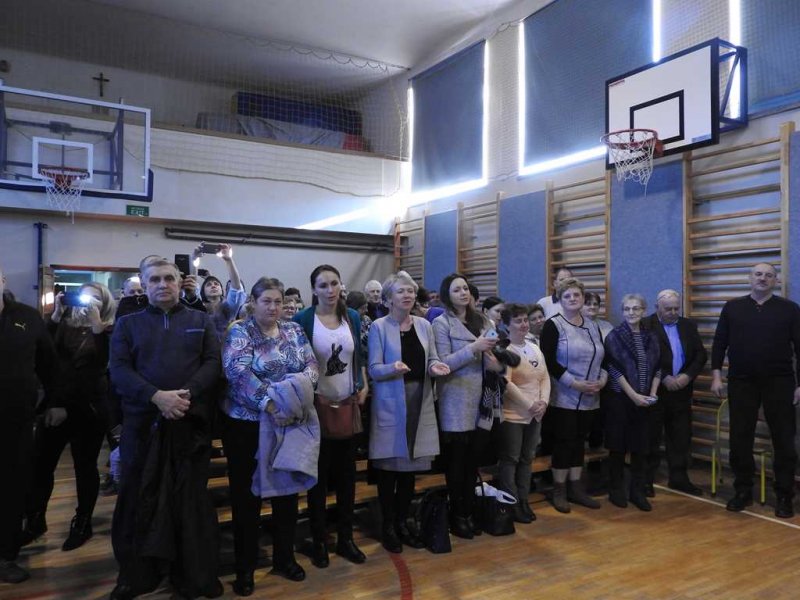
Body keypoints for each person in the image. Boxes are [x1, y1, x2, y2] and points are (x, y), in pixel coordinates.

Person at [109, 259, 222, 599]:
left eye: (169, 278)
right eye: (155, 279)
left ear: (179, 281)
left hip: (190, 424)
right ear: (144, 284)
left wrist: (185, 394)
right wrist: (156, 397)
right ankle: (136, 575)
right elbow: (119, 370)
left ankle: (193, 575)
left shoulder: (200, 320)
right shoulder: (128, 324)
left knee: (190, 501)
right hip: (143, 426)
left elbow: (213, 363)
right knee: (138, 498)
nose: (163, 284)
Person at [222, 277, 320, 594]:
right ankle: (245, 568)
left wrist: (291, 401)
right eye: (267, 301)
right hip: (248, 425)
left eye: (278, 301)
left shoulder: (294, 330)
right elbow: (238, 373)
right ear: (253, 302)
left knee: (287, 495)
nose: (274, 307)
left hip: (288, 421)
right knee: (247, 499)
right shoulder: (240, 331)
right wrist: (271, 403)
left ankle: (284, 558)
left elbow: (311, 366)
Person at [21, 283, 116, 552]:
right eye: (83, 296)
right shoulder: (63, 324)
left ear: (105, 303)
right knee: (41, 465)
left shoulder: (109, 329)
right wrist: (55, 315)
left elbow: (100, 367)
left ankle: (83, 522)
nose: (86, 301)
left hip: (89, 409)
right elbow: (45, 358)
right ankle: (35, 520)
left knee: (84, 468)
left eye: (95, 298)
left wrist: (97, 326)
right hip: (55, 407)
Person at [368, 271, 450, 553]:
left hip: (419, 402)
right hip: (392, 402)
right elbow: (374, 370)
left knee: (409, 472)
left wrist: (435, 367)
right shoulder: (379, 326)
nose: (408, 295)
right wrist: (393, 368)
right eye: (401, 291)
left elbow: (433, 358)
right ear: (388, 298)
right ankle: (388, 525)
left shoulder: (424, 325)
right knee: (389, 471)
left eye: (411, 291)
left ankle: (403, 522)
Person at [711, 263, 800, 518]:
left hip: (780, 382)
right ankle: (742, 491)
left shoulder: (789, 309)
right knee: (740, 438)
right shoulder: (732, 308)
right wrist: (716, 376)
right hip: (741, 382)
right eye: (758, 274)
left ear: (775, 281)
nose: (763, 278)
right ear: (749, 278)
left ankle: (784, 495)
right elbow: (719, 343)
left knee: (784, 439)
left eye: (769, 275)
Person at [293, 265, 368, 568]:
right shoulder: (303, 319)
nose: (330, 289)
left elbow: (357, 356)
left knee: (347, 478)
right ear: (314, 289)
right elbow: (297, 362)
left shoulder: (351, 317)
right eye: (323, 285)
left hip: (347, 405)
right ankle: (319, 540)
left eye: (334, 283)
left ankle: (346, 538)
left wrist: (363, 384)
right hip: (316, 409)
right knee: (319, 481)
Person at [432, 273, 501, 539]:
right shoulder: (441, 323)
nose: (463, 293)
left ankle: (470, 510)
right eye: (457, 290)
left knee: (473, 461)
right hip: (456, 398)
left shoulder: (483, 320)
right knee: (457, 462)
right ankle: (457, 515)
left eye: (465, 288)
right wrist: (474, 347)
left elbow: (493, 355)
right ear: (447, 296)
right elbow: (443, 363)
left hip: (483, 398)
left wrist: (495, 360)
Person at [0, 267, 58, 584]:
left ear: (2, 281)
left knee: (11, 489)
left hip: (15, 421)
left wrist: (55, 402)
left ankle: (6, 556)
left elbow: (48, 364)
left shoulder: (27, 317)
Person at [539, 277, 606, 513]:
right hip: (564, 396)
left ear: (583, 297)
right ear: (560, 300)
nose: (572, 299)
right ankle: (559, 489)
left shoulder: (592, 325)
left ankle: (576, 488)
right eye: (567, 296)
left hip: (590, 396)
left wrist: (602, 380)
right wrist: (574, 383)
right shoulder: (553, 325)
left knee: (579, 442)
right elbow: (548, 361)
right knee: (564, 442)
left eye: (577, 295)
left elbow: (603, 357)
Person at [642, 289, 707, 496]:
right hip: (655, 391)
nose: (673, 313)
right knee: (651, 437)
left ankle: (679, 478)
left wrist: (687, 376)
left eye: (676, 308)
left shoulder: (688, 325)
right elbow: (643, 357)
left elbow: (700, 355)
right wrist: (664, 377)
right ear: (657, 308)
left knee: (680, 437)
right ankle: (646, 480)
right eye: (668, 309)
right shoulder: (645, 325)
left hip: (681, 390)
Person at [603, 294, 661, 511]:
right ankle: (616, 490)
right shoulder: (614, 336)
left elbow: (658, 367)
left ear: (643, 311)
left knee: (641, 448)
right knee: (618, 447)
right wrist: (634, 396)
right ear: (622, 311)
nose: (631, 312)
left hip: (645, 399)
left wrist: (652, 394)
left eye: (636, 308)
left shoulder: (651, 336)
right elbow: (613, 369)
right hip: (621, 399)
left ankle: (637, 491)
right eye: (627, 309)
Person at [498, 304, 550, 523]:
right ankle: (512, 503)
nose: (524, 324)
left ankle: (524, 499)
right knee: (511, 459)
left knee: (527, 459)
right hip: (513, 415)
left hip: (535, 414)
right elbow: (506, 383)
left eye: (525, 320)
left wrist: (543, 401)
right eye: (518, 321)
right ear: (506, 325)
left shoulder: (534, 347)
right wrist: (529, 404)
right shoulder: (504, 350)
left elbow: (544, 377)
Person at [196, 243, 246, 342]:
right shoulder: (199, 307)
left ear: (222, 290)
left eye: (216, 284)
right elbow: (192, 287)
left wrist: (229, 260)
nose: (213, 285)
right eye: (209, 285)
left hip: (226, 346)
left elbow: (236, 288)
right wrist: (194, 258)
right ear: (203, 291)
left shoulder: (229, 307)